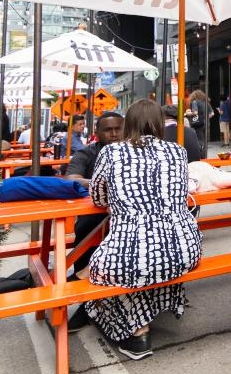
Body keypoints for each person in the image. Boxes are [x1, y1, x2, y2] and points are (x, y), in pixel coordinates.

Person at [83, 100, 203, 360]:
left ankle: (138, 332)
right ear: (159, 124)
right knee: (144, 261)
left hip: (137, 251)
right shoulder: (177, 151)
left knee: (99, 270)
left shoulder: (112, 153)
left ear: (129, 125)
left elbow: (98, 197)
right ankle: (155, 309)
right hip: (186, 248)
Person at [62, 111, 125, 330]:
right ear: (97, 133)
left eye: (118, 129)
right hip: (94, 216)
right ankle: (89, 299)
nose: (115, 134)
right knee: (86, 234)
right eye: (109, 130)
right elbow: (72, 179)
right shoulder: (86, 153)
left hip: (124, 219)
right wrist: (100, 182)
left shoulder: (132, 152)